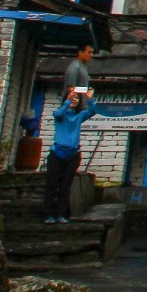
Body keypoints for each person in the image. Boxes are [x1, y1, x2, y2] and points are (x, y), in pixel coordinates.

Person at [43, 89, 98, 223]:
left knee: (65, 185)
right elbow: (58, 113)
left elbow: (93, 111)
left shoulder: (79, 116)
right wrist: (68, 100)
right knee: (52, 185)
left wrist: (88, 98)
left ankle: (61, 214)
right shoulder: (60, 114)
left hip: (73, 154)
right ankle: (48, 215)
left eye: (76, 99)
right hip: (57, 153)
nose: (74, 100)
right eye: (72, 98)